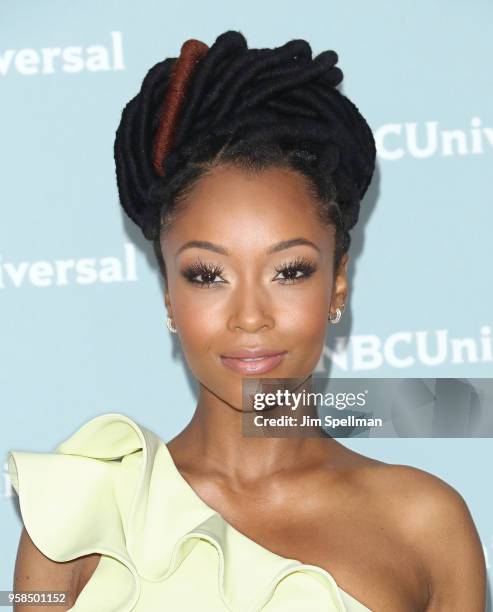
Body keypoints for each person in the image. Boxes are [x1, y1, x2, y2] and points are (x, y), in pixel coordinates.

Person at [9, 31, 486, 611]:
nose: (251, 317)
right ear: (168, 295)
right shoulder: (76, 520)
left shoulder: (427, 524)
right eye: (208, 275)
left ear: (338, 283)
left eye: (289, 271)